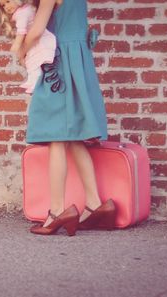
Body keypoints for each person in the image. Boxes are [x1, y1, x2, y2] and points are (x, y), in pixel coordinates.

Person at [16, 0, 116, 236]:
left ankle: (58, 211)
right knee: (72, 137)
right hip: (78, 62)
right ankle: (95, 204)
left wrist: (21, 51)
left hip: (59, 62)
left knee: (57, 136)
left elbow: (38, 30)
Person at [0, 0, 56, 94]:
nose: (6, 6)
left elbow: (21, 31)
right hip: (35, 41)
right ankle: (33, 80)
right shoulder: (24, 10)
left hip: (39, 41)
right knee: (32, 62)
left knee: (34, 62)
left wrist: (17, 46)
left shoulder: (22, 13)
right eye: (3, 5)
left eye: (8, 1)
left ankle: (35, 81)